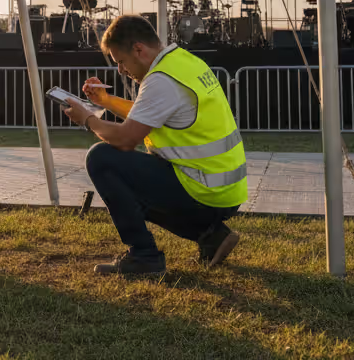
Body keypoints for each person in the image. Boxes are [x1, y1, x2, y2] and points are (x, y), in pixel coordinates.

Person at [60, 15, 247, 277]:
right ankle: (211, 235)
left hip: (205, 191)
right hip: (224, 189)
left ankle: (144, 256)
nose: (121, 71)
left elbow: (127, 138)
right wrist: (107, 101)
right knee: (136, 177)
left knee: (102, 159)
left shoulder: (161, 80)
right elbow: (149, 114)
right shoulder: (183, 63)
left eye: (121, 62)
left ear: (138, 49)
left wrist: (88, 120)